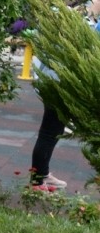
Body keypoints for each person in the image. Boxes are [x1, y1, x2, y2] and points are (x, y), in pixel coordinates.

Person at [29, 55, 67, 191]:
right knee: (50, 133)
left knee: (52, 131)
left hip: (52, 80)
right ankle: (38, 182)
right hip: (58, 82)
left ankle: (41, 175)